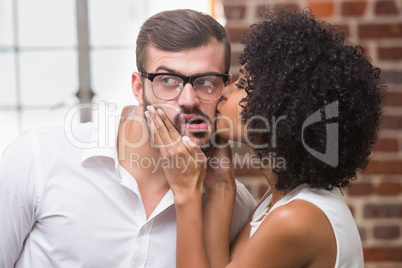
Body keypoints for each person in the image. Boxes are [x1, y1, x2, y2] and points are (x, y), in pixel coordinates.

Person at [0, 9, 256, 267]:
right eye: (167, 80)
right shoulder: (35, 159)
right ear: (138, 87)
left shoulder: (233, 206)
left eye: (205, 81)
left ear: (224, 88)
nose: (188, 100)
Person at [146, 7, 385, 268]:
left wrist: (186, 193)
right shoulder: (278, 203)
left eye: (242, 85)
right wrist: (222, 187)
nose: (224, 92)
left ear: (282, 108)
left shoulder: (297, 219)